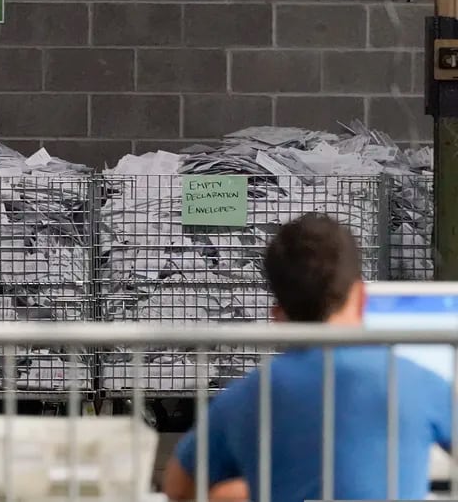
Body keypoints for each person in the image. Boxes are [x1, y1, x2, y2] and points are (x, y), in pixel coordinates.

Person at [163, 213, 452, 502]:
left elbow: (178, 488)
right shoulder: (416, 383)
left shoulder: (249, 396)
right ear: (363, 297)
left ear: (277, 316)